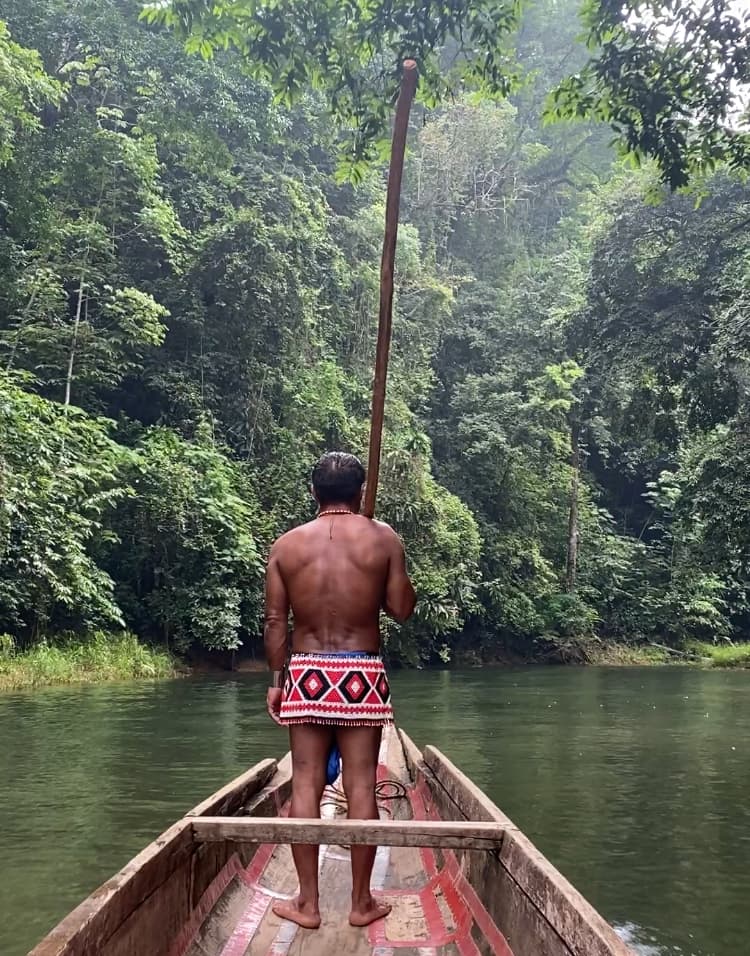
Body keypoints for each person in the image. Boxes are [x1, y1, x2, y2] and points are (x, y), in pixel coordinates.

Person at [264, 451, 416, 930]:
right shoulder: (383, 538)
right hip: (361, 674)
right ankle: (360, 903)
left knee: (305, 782)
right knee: (360, 784)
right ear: (360, 492)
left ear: (314, 493)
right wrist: (394, 555)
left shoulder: (286, 546)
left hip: (306, 672)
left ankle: (306, 904)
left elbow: (274, 621)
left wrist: (277, 681)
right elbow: (401, 609)